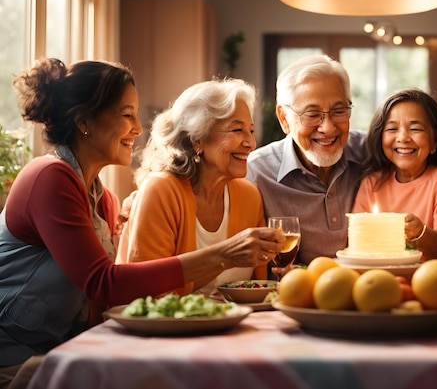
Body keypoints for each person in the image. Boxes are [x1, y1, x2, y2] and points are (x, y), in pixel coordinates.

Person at [0, 58, 283, 387]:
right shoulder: (49, 178)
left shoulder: (104, 200)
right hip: (13, 354)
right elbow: (103, 284)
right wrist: (224, 255)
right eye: (126, 115)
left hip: (58, 349)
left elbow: (100, 301)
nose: (138, 127)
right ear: (85, 121)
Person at [116, 78, 270, 296]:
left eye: (251, 131)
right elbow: (146, 293)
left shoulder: (249, 196)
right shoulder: (161, 191)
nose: (251, 143)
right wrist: (223, 258)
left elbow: (261, 288)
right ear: (198, 139)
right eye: (237, 130)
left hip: (234, 327)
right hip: (166, 327)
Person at [246, 54, 366, 265]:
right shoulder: (255, 173)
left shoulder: (371, 152)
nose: (328, 127)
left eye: (339, 111)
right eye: (312, 114)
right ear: (284, 118)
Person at [352, 88, 437, 262]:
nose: (403, 137)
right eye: (392, 129)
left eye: (415, 128)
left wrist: (420, 233)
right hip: (377, 278)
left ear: (435, 139)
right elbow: (356, 244)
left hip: (430, 282)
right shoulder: (371, 183)